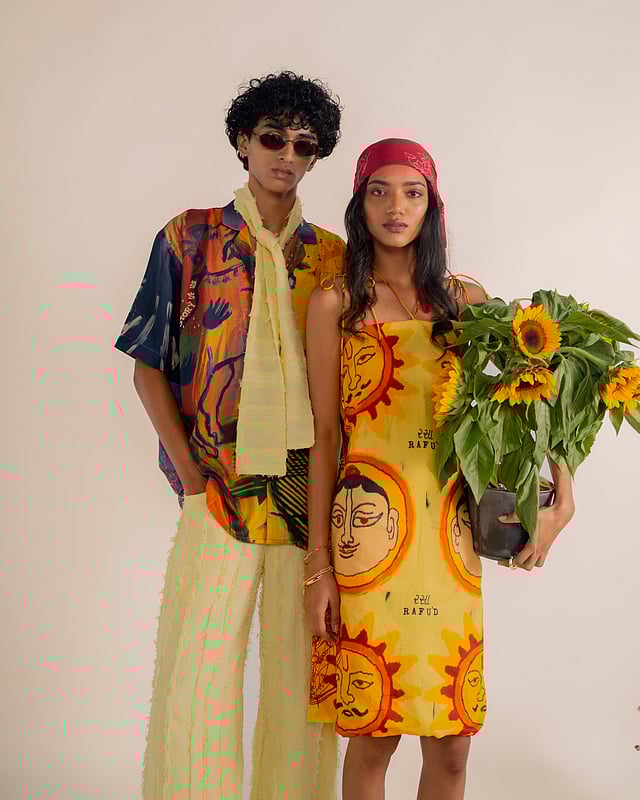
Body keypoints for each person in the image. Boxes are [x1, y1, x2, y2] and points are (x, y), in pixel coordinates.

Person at [303, 139, 576, 800]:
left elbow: (534, 396)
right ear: (359, 203)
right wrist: (319, 568)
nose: (395, 206)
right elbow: (323, 438)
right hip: (368, 535)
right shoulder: (335, 303)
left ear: (433, 206)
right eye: (379, 191)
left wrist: (562, 492)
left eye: (412, 192)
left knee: (453, 745)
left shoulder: (465, 300)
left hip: (451, 535)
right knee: (374, 735)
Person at [114, 71, 345, 800]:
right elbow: (148, 366)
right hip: (216, 491)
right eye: (273, 139)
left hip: (306, 499)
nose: (286, 155)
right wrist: (191, 478)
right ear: (244, 142)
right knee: (197, 679)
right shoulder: (188, 237)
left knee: (301, 689)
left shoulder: (334, 259)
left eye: (304, 145)